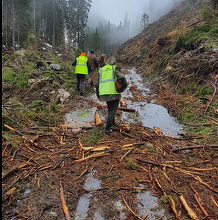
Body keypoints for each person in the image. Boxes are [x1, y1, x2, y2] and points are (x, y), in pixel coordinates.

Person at [96, 56, 127, 134]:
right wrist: (124, 85)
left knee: (110, 109)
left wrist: (98, 94)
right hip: (113, 93)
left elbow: (97, 84)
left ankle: (113, 124)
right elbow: (122, 77)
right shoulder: (114, 68)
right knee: (112, 111)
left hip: (104, 93)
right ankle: (107, 129)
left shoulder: (101, 70)